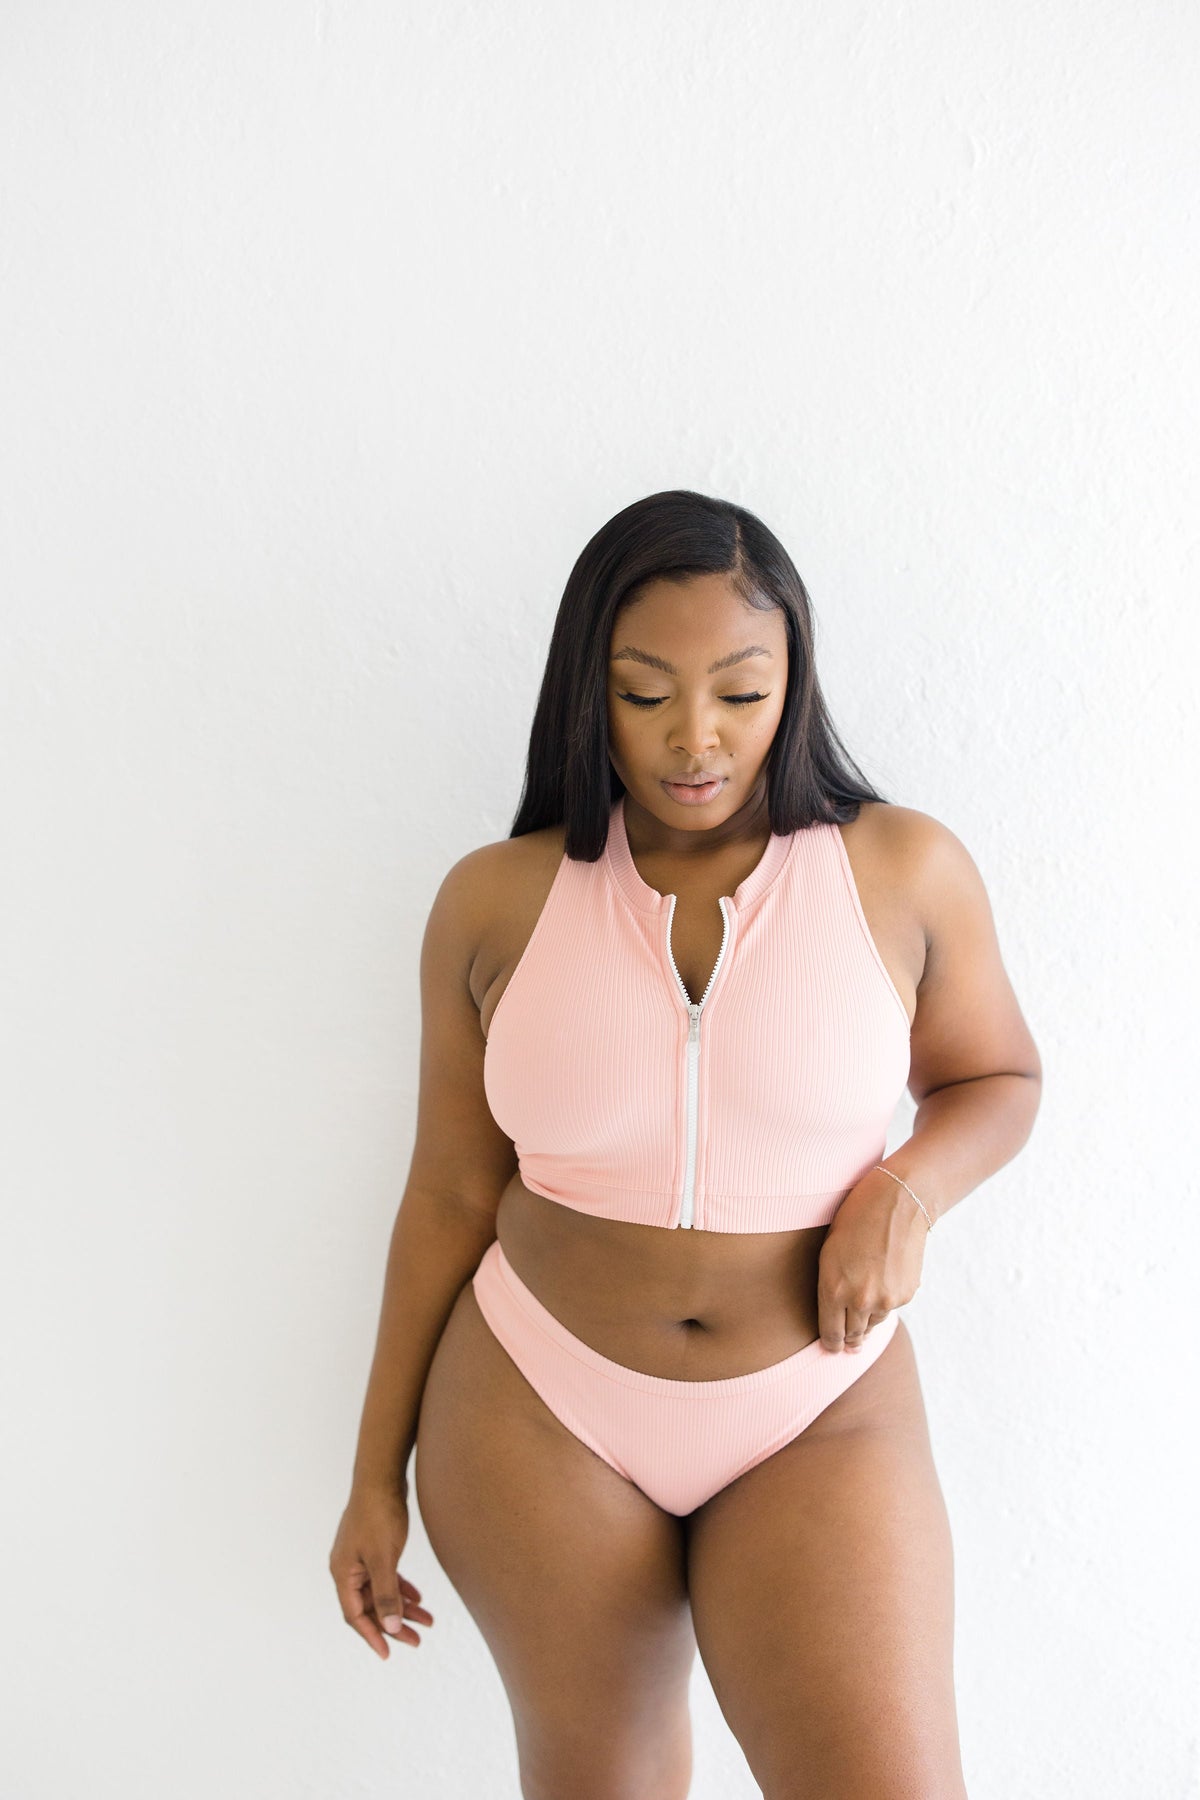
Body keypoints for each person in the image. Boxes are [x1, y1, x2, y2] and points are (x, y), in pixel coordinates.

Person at [329, 489, 1042, 1800]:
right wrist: (374, 1478)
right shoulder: (494, 901)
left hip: (818, 1405)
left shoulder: (903, 871)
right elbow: (446, 1194)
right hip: (535, 1405)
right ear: (586, 689)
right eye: (645, 693)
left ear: (794, 684)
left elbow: (997, 1076)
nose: (694, 737)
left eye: (741, 692)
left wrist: (906, 1189)